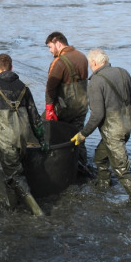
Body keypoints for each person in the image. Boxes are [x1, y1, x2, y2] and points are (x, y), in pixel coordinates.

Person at [71, 49, 131, 204]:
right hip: (126, 125)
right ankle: (104, 184)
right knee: (100, 157)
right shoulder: (123, 73)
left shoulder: (96, 82)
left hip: (112, 131)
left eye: (90, 64)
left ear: (94, 63)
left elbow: (97, 115)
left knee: (122, 169)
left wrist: (83, 134)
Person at [0, 54, 49, 216]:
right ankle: (11, 207)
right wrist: (41, 139)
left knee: (14, 175)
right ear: (11, 67)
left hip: (6, 138)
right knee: (8, 173)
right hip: (23, 138)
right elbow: (35, 118)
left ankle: (37, 211)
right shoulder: (24, 87)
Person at [45, 31, 90, 170]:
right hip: (82, 105)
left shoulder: (59, 62)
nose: (50, 50)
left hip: (65, 108)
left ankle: (55, 167)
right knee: (78, 136)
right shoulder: (82, 57)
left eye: (50, 47)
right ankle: (83, 166)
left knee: (49, 132)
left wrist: (49, 109)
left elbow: (50, 88)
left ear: (58, 43)